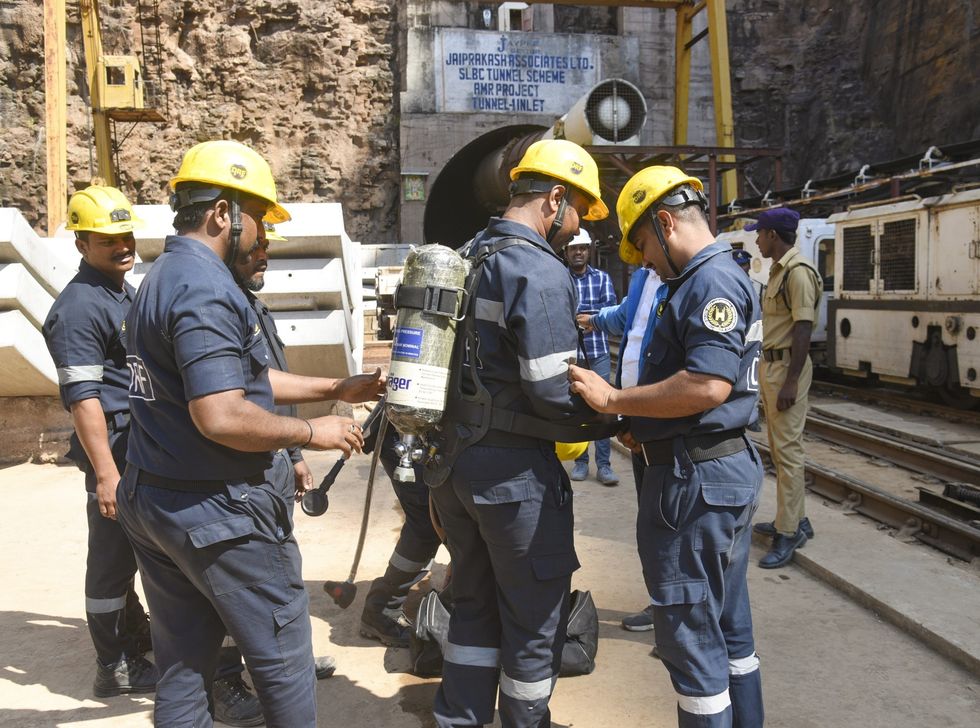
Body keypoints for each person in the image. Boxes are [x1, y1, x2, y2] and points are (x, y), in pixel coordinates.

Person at [115, 140, 381, 727]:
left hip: (157, 498)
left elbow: (244, 378)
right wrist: (311, 432)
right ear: (222, 214)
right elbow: (221, 413)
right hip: (218, 514)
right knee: (283, 666)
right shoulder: (206, 288)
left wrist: (336, 386)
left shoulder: (163, 275)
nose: (265, 237)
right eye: (259, 218)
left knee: (184, 667)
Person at [569, 166, 765, 728]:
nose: (647, 263)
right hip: (715, 469)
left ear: (665, 221)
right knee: (728, 630)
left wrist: (614, 399)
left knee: (689, 639)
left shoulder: (708, 282)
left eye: (645, 248)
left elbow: (707, 385)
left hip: (694, 483)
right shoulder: (711, 277)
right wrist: (643, 422)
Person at [427, 138, 608, 728]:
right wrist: (615, 416)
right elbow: (552, 390)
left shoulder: (467, 254)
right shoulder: (537, 267)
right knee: (534, 617)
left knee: (474, 604)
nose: (576, 228)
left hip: (453, 468)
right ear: (555, 199)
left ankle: (460, 718)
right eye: (577, 212)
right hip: (513, 479)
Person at [41, 184, 158, 699]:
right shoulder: (79, 307)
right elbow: (83, 399)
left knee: (131, 552)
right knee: (111, 562)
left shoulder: (120, 292)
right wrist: (107, 474)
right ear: (81, 244)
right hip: (113, 452)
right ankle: (114, 667)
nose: (122, 245)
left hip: (137, 446)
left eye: (126, 234)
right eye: (107, 239)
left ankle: (135, 636)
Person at [577, 257, 666, 632]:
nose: (640, 255)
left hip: (664, 425)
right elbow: (624, 318)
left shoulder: (685, 278)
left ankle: (678, 619)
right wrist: (592, 320)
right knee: (651, 521)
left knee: (669, 523)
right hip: (640, 419)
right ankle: (662, 604)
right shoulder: (645, 277)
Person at [747, 208, 821, 568]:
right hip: (773, 366)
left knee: (788, 452)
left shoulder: (797, 272)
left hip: (786, 369)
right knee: (781, 449)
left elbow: (803, 328)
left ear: (773, 235)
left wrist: (791, 380)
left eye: (759, 233)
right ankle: (795, 519)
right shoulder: (779, 270)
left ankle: (788, 533)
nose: (757, 240)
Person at [565, 231, 619, 486]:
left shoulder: (601, 279)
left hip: (597, 353)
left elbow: (610, 311)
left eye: (582, 248)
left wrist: (589, 320)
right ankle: (581, 461)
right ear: (566, 252)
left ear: (588, 251)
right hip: (572, 356)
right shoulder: (561, 278)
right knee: (578, 408)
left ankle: (604, 465)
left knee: (603, 408)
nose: (578, 252)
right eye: (573, 248)